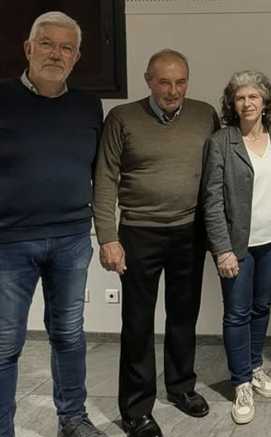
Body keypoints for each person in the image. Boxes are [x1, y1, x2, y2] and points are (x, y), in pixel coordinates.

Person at [0, 11, 106, 437]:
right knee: (3, 346)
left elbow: (95, 168)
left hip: (72, 240)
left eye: (66, 47)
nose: (56, 53)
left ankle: (72, 419)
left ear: (76, 57)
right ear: (28, 48)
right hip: (5, 246)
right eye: (47, 43)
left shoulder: (89, 106)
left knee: (69, 336)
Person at [92, 49, 220, 436]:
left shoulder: (205, 115)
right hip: (139, 232)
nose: (173, 90)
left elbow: (217, 173)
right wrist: (108, 237)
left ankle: (181, 387)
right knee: (138, 322)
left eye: (180, 82)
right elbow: (105, 179)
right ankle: (136, 409)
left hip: (190, 231)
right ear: (148, 80)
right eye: (164, 82)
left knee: (183, 315)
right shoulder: (122, 118)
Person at [201, 70, 271, 425]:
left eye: (253, 96)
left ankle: (255, 366)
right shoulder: (221, 141)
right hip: (236, 246)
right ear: (232, 104)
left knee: (261, 306)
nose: (247, 103)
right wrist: (221, 249)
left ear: (265, 101)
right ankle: (240, 381)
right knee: (236, 313)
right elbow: (211, 199)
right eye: (240, 98)